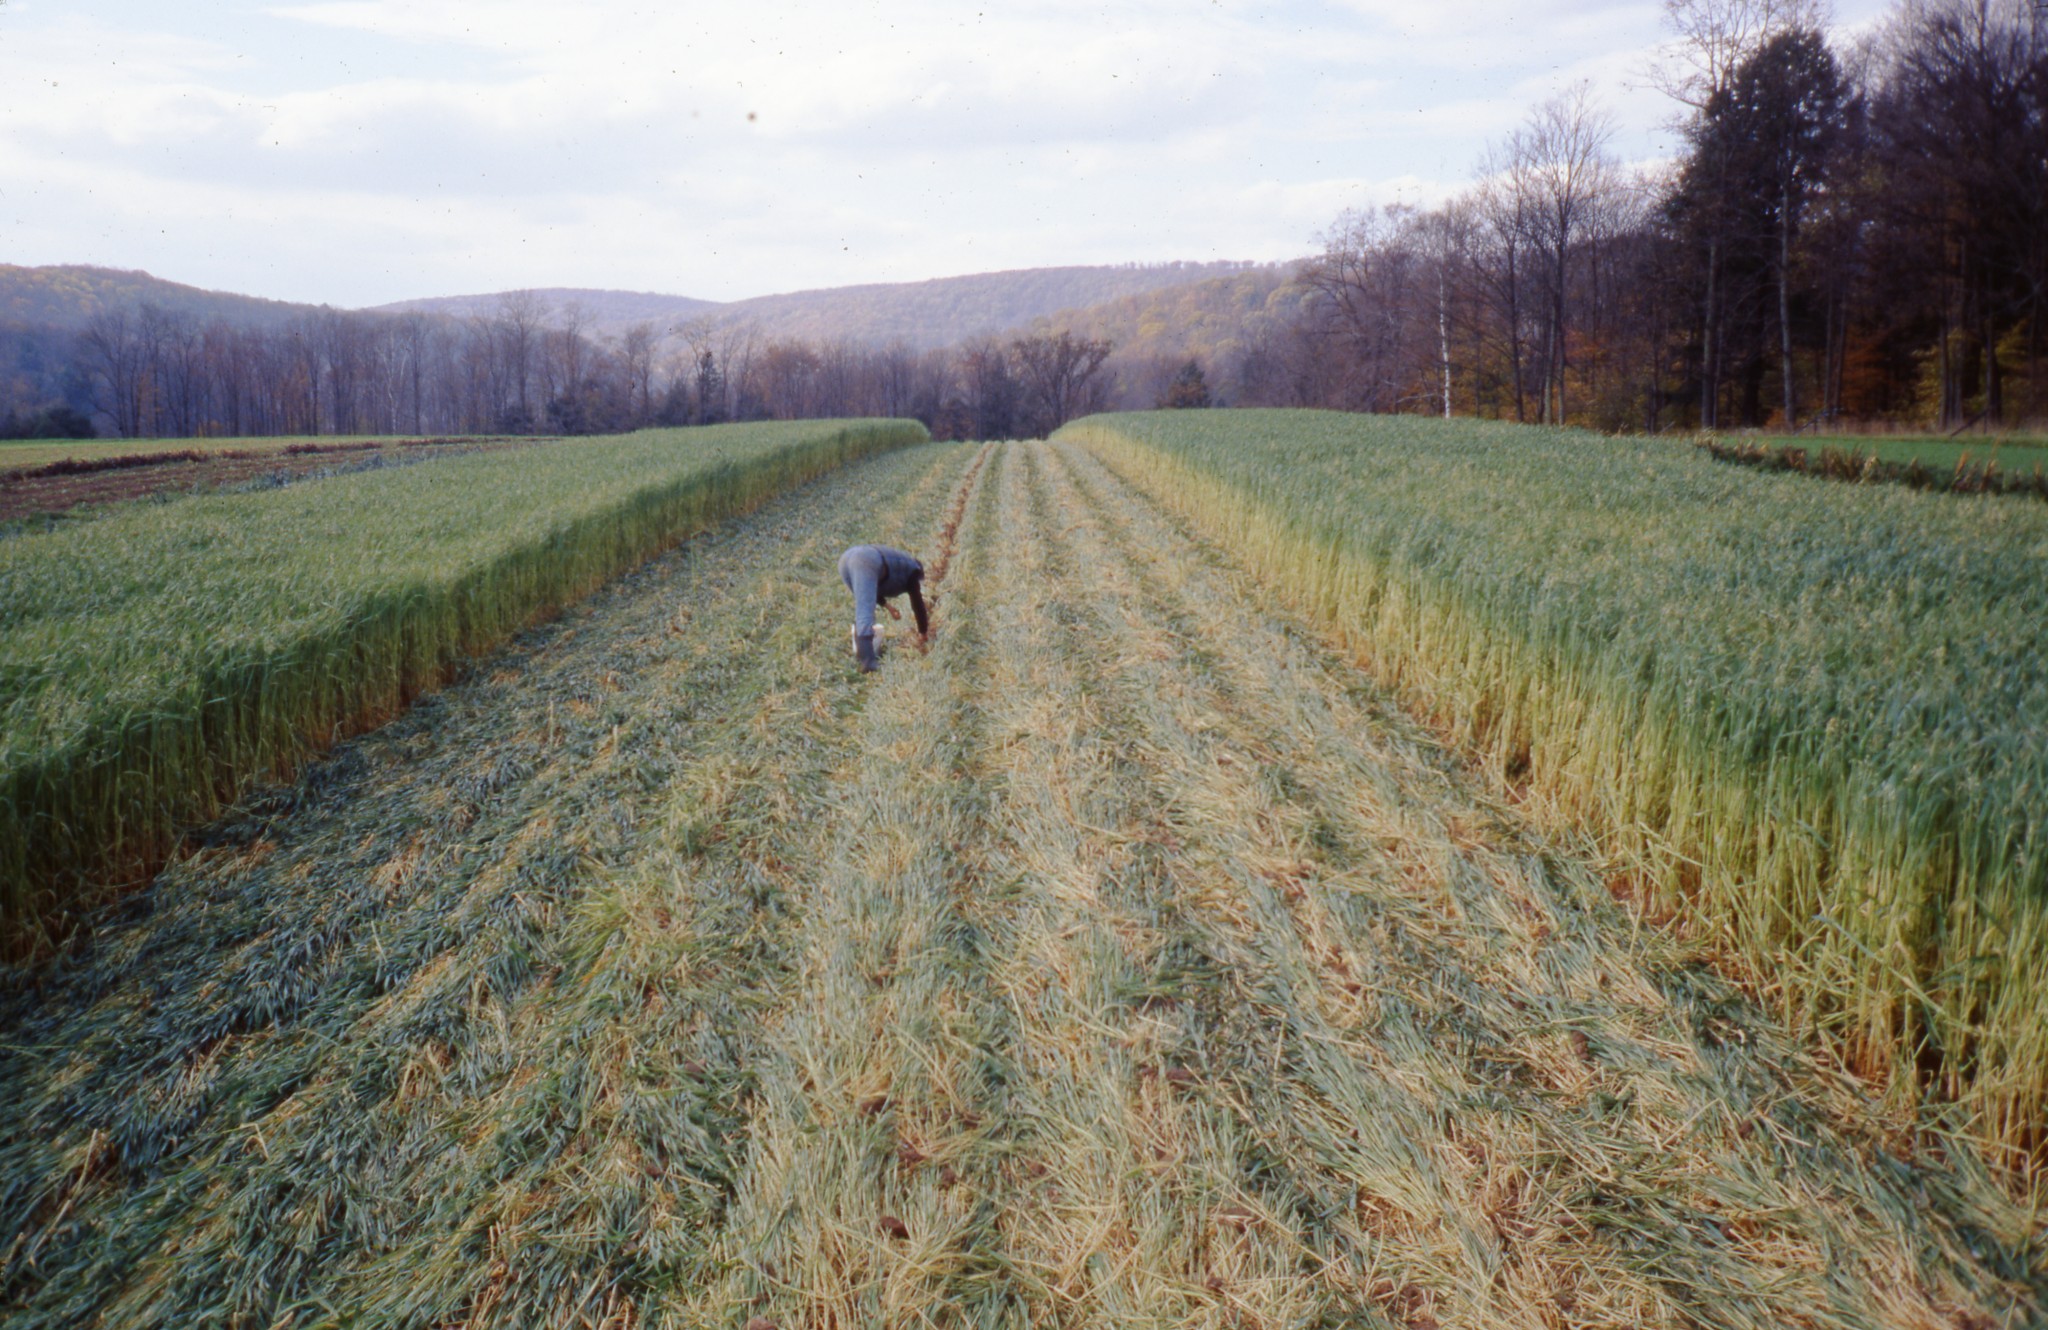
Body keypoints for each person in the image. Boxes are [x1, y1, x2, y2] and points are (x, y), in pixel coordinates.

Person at [838, 544, 929, 672]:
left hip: (846, 560)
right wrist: (923, 631)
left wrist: (888, 606)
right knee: (865, 610)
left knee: (863, 603)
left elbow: (871, 588)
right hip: (864, 559)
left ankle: (862, 651)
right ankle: (868, 662)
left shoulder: (900, 565)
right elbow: (917, 603)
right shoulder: (913, 570)